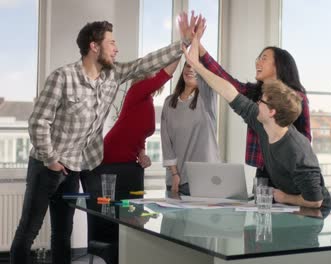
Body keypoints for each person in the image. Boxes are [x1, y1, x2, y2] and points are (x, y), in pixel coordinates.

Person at [10, 13, 199, 264]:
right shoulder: (63, 77)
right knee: (28, 232)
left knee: (62, 233)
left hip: (75, 167)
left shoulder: (112, 76)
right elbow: (38, 121)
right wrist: (51, 159)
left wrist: (182, 43)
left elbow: (146, 63)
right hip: (46, 166)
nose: (116, 48)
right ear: (94, 46)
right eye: (111, 43)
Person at [182, 32, 331, 209]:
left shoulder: (297, 150)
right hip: (280, 188)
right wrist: (197, 65)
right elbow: (229, 90)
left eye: (261, 102)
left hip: (316, 210)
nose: (256, 105)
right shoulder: (263, 124)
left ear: (272, 111)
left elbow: (315, 201)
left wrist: (285, 197)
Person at [79, 59, 180, 264]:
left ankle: (127, 257)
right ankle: (108, 258)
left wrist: (142, 154)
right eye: (153, 71)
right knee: (109, 221)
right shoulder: (137, 90)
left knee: (132, 219)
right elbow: (164, 75)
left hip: (128, 165)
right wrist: (182, 48)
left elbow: (138, 134)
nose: (156, 75)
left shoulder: (148, 99)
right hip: (106, 163)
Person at [198, 40, 311, 183]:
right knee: (261, 203)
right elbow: (225, 80)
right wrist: (199, 49)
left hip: (288, 171)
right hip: (263, 172)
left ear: (279, 66)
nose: (257, 62)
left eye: (264, 58)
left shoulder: (297, 99)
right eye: (258, 58)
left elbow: (305, 140)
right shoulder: (254, 93)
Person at [161, 62, 220, 195]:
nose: (190, 69)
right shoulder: (169, 103)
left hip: (205, 180)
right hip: (176, 181)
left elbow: (215, 74)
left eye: (196, 67)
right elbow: (166, 143)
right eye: (188, 65)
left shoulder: (207, 98)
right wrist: (175, 174)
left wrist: (194, 43)